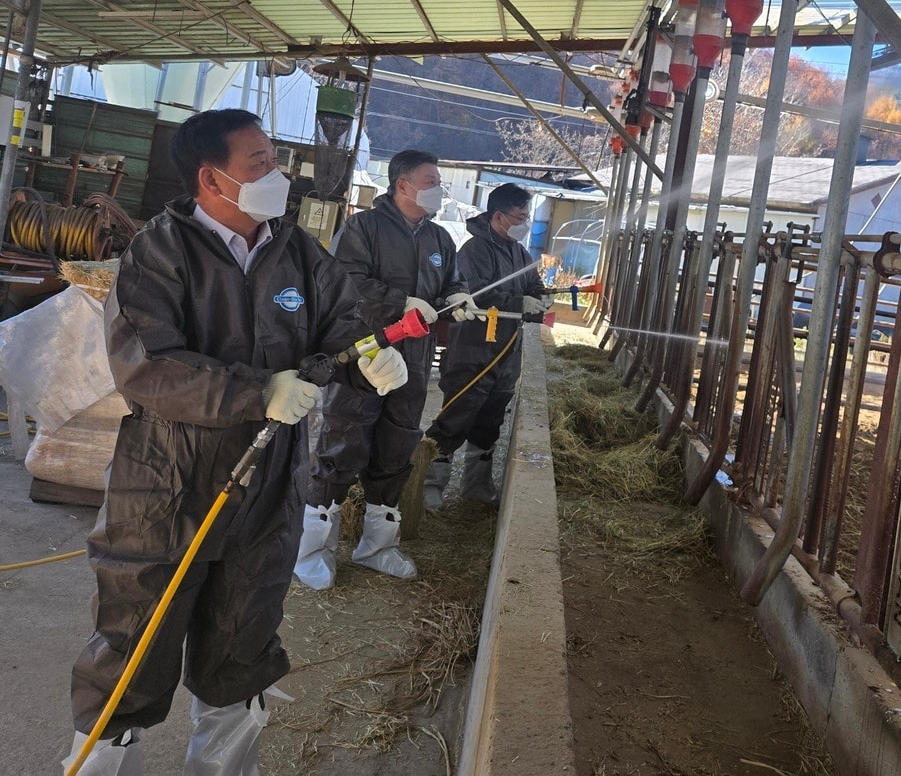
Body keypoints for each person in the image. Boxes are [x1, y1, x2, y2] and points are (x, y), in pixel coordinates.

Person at [66, 109, 409, 775]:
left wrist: (369, 358)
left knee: (242, 645)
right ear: (211, 178)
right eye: (260, 165)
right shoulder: (159, 253)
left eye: (274, 161)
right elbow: (147, 368)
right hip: (166, 484)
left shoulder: (299, 252)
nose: (276, 176)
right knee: (134, 646)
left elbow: (341, 326)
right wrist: (258, 392)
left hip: (269, 483)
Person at [295, 149, 480, 590]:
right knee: (343, 443)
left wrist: (458, 299)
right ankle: (311, 550)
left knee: (398, 447)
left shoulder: (440, 240)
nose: (439, 188)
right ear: (403, 185)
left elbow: (451, 282)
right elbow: (345, 282)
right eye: (432, 180)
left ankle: (378, 547)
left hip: (414, 361)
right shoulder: (363, 228)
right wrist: (398, 303)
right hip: (364, 356)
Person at [424, 183, 549, 509]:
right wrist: (520, 302)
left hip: (506, 354)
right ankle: (429, 486)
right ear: (499, 216)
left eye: (527, 216)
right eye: (520, 216)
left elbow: (533, 282)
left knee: (489, 423)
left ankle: (476, 487)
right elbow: (476, 295)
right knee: (455, 418)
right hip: (474, 352)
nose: (525, 223)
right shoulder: (474, 251)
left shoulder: (519, 252)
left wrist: (541, 296)